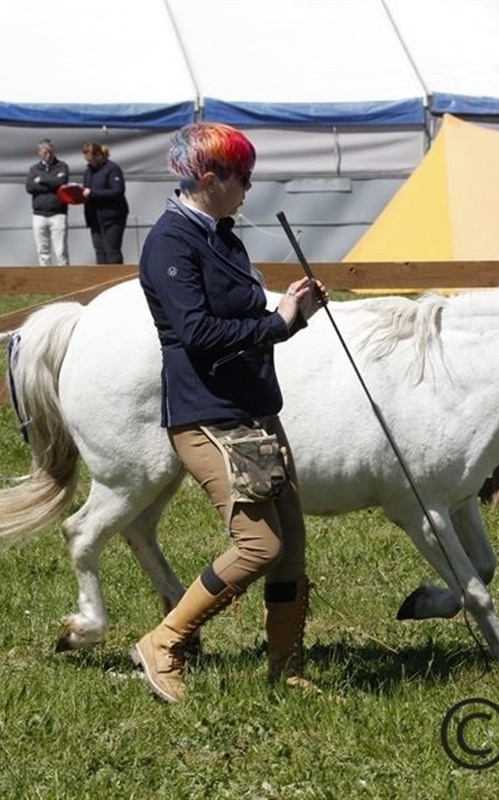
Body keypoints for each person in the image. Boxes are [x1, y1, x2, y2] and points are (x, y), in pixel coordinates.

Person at [131, 122, 328, 703]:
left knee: (291, 550)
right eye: (243, 175)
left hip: (255, 411)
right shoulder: (171, 242)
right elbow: (196, 333)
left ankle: (286, 671)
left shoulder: (222, 235)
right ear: (211, 178)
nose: (249, 185)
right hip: (208, 417)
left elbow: (246, 322)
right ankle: (164, 642)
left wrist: (292, 313)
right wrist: (278, 323)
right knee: (259, 547)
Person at [80, 141, 129, 263]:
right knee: (99, 251)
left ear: (98, 155)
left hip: (112, 217)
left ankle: (116, 274)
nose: (90, 162)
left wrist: (93, 193)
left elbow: (118, 190)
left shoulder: (112, 169)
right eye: (87, 160)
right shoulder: (88, 171)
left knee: (112, 250)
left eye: (91, 159)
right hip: (94, 218)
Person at [25, 138, 70, 265]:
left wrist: (41, 180)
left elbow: (61, 182)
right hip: (39, 215)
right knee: (42, 252)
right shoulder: (34, 169)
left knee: (61, 251)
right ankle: (45, 275)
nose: (48, 155)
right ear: (39, 153)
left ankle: (65, 275)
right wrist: (52, 184)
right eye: (45, 153)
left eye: (50, 152)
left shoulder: (62, 166)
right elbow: (30, 188)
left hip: (58, 214)